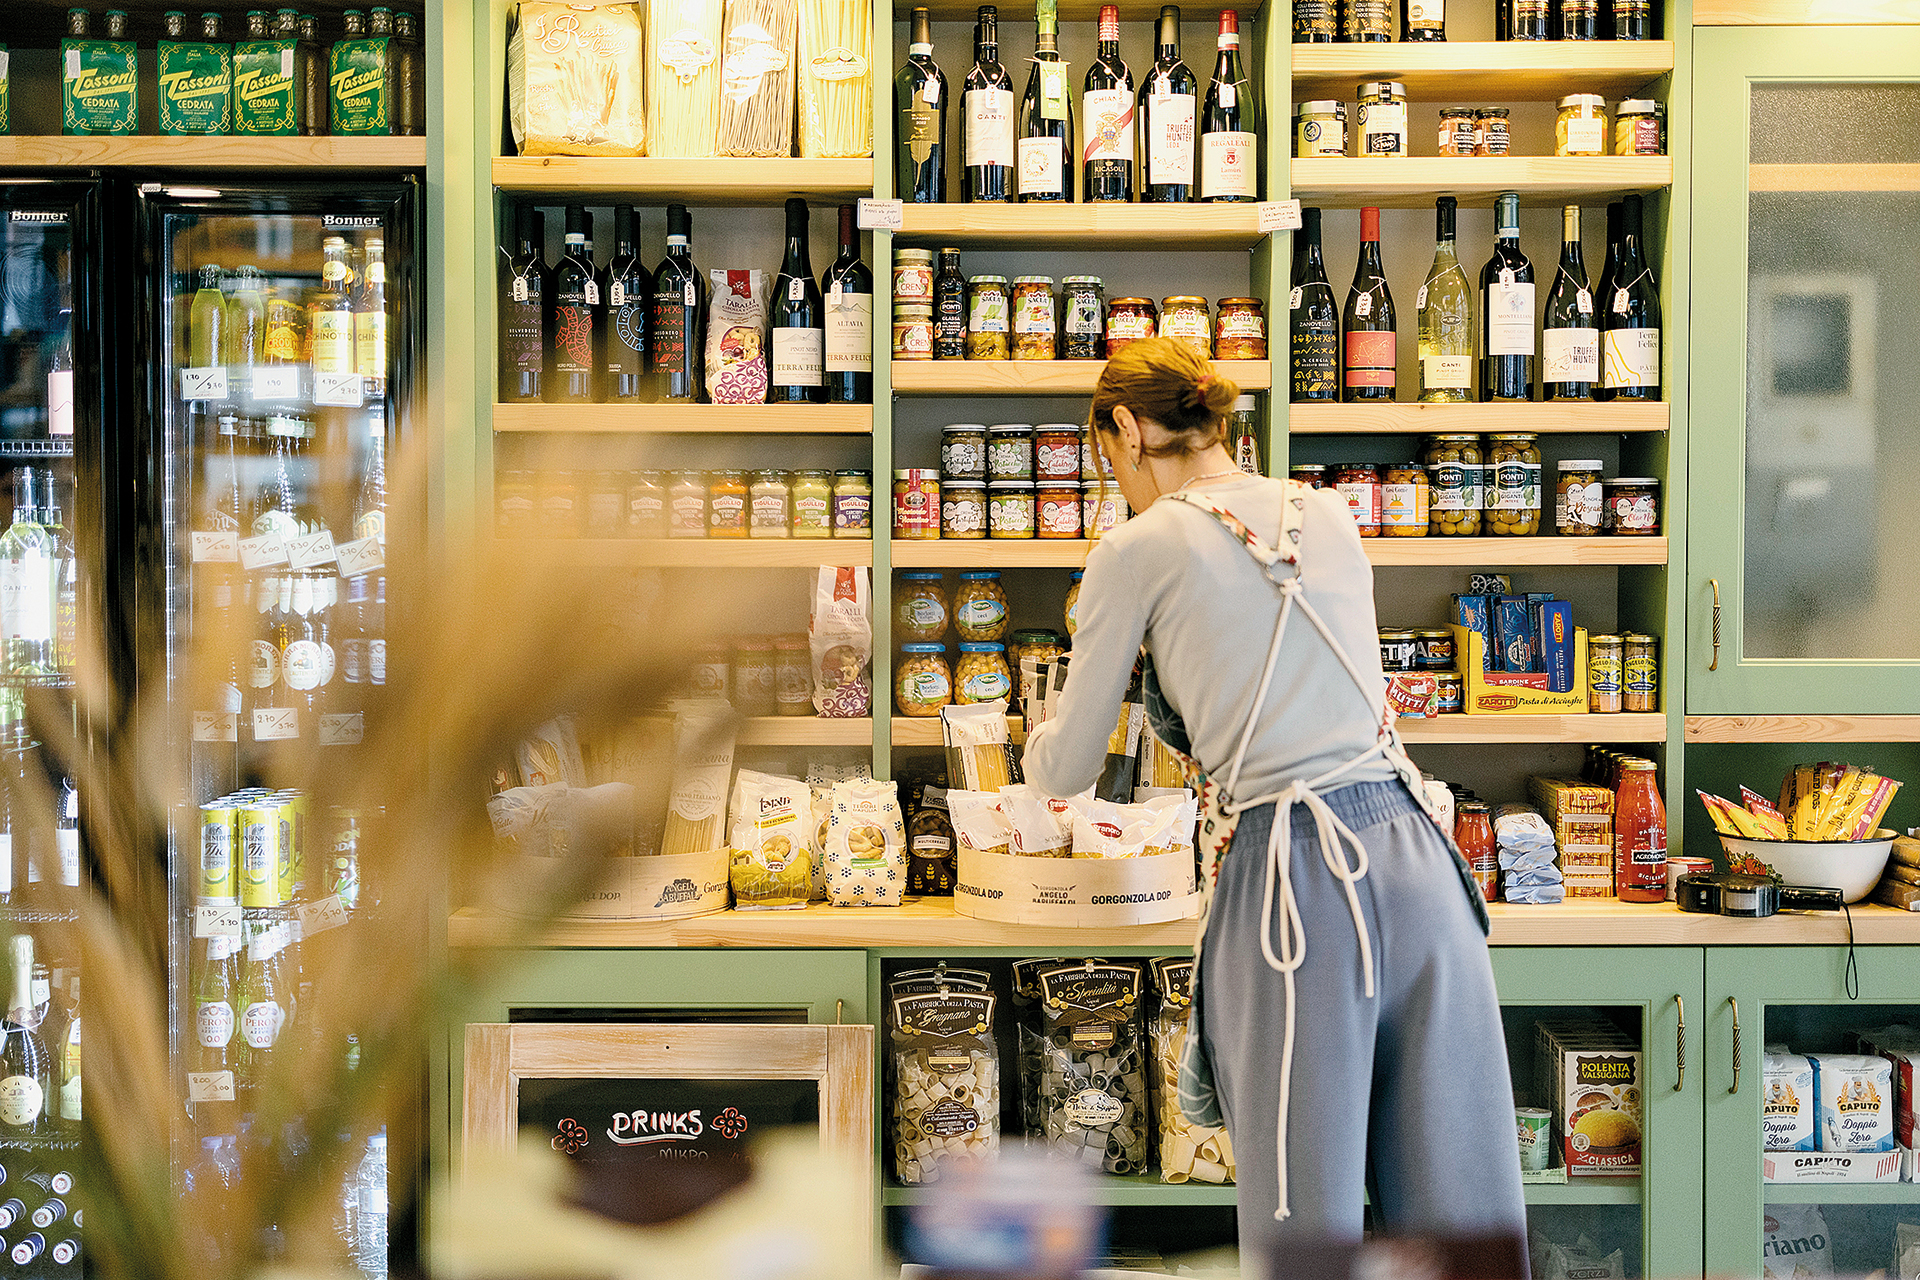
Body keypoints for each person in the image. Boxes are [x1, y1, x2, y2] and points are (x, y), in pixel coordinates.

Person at [1021, 338, 1526, 1274]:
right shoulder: (1326, 513)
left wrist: (1035, 732)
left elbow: (1067, 771)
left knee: (1306, 1236)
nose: (1115, 485)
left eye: (1108, 462)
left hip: (1299, 880)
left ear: (1126, 430)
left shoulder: (1134, 549)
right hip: (1416, 854)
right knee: (1462, 1224)